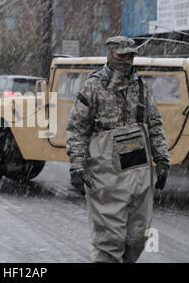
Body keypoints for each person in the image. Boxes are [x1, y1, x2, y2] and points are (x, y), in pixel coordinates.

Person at [66, 36, 170, 263]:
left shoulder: (140, 87)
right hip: (106, 176)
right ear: (110, 54)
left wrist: (162, 158)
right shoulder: (92, 87)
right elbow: (77, 129)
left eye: (130, 55)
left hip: (138, 174)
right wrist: (77, 165)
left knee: (138, 235)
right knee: (109, 241)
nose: (126, 60)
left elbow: (154, 125)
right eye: (121, 55)